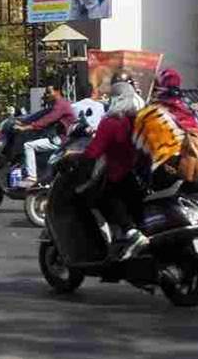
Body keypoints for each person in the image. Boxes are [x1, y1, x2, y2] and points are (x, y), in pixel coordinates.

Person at [79, 80, 148, 260]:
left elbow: (94, 151)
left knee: (99, 197)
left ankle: (130, 233)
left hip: (118, 174)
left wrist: (78, 160)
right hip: (141, 176)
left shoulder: (111, 122)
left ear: (116, 98)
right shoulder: (138, 119)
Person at [17, 83, 77, 187]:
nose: (47, 95)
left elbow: (47, 120)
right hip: (60, 137)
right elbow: (42, 114)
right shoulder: (57, 104)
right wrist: (24, 121)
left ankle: (32, 177)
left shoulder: (60, 105)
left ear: (57, 92)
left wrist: (26, 128)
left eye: (49, 92)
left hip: (62, 140)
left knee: (28, 145)